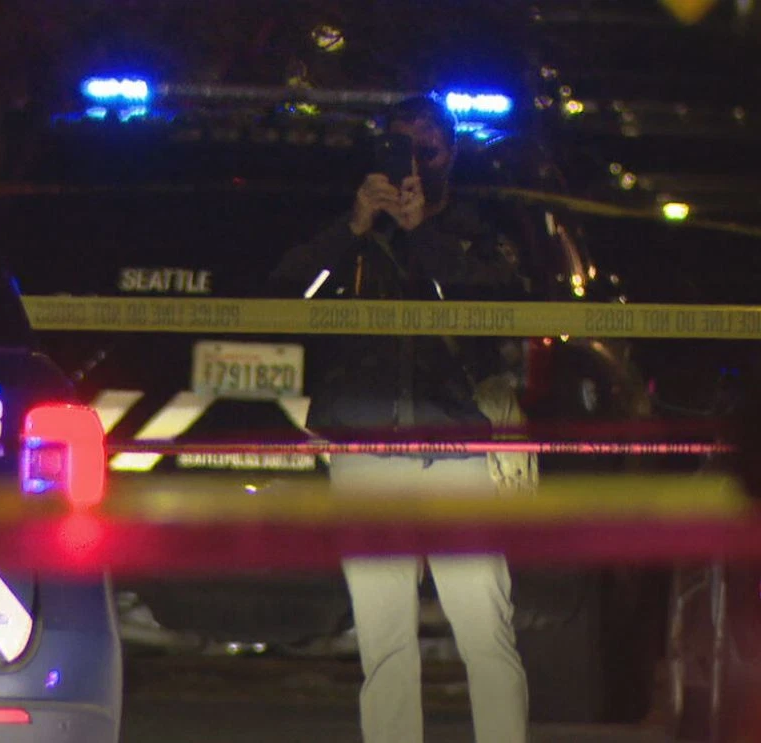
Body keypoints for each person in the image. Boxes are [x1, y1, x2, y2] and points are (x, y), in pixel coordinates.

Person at [270, 95, 530, 743]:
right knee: (384, 641)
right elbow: (282, 295)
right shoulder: (354, 238)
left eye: (427, 149)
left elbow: (495, 306)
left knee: (486, 633)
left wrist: (424, 235)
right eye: (398, 149)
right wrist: (354, 225)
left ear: (451, 154)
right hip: (365, 450)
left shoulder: (473, 232)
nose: (413, 163)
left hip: (457, 450)